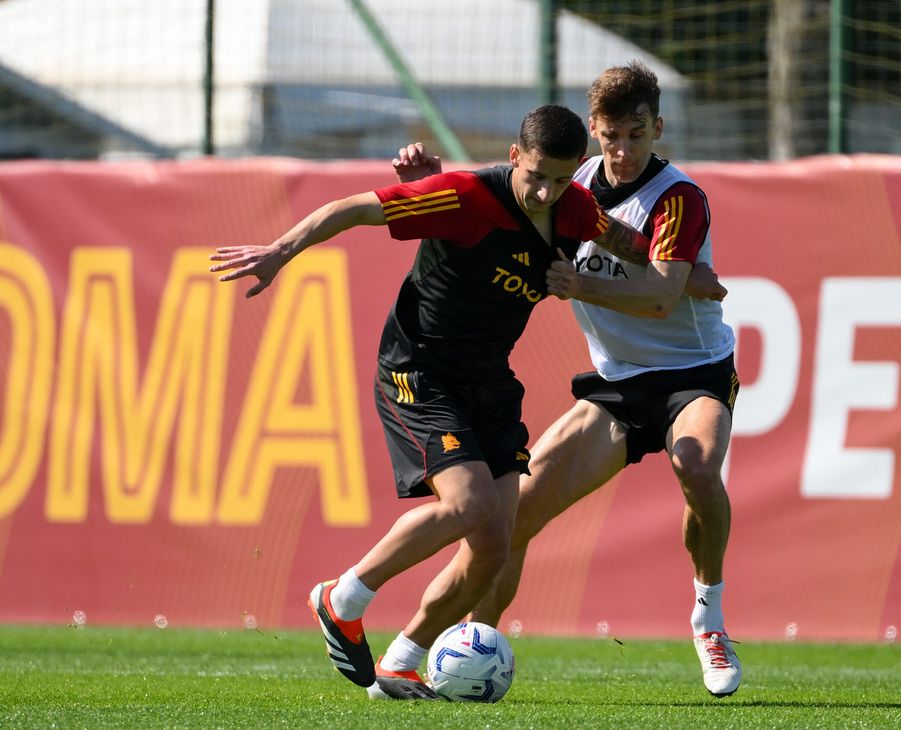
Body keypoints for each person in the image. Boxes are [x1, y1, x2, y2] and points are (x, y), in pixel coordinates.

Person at [210, 105, 653, 701]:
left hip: (489, 383)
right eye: (535, 174)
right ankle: (343, 597)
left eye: (560, 178)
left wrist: (685, 263)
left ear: (577, 171)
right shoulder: (463, 196)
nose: (544, 191)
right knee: (469, 504)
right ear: (514, 155)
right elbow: (351, 209)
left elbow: (638, 245)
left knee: (497, 544)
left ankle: (401, 660)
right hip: (420, 371)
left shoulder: (574, 208)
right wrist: (280, 250)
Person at [397, 61, 742, 698]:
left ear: (657, 127)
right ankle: (445, 647)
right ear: (593, 131)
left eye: (637, 134)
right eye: (612, 136)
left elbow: (663, 299)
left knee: (695, 465)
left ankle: (709, 615)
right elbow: (497, 208)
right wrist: (430, 189)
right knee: (510, 521)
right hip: (616, 385)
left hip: (692, 373)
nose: (624, 149)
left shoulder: (678, 197)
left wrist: (583, 282)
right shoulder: (568, 183)